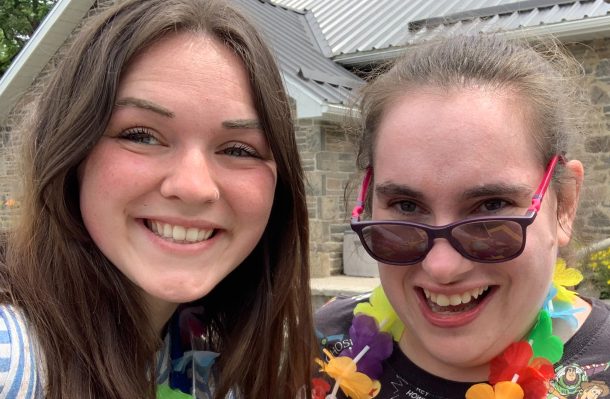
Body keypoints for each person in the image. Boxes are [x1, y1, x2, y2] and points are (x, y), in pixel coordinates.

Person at [0, 0, 315, 397]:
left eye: (238, 149)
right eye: (141, 135)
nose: (194, 186)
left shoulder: (208, 369)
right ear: (70, 155)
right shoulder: (12, 363)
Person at [314, 35, 610, 399]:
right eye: (406, 205)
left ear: (563, 204)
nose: (442, 267)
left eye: (491, 206)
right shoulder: (320, 345)